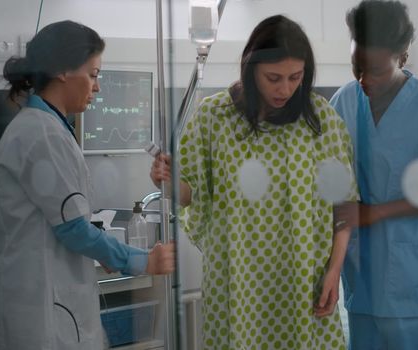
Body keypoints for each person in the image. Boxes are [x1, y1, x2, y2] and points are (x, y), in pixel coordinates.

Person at [150, 15, 356, 349]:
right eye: (273, 78)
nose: (285, 89)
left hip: (304, 284)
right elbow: (189, 194)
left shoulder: (320, 121)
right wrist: (166, 180)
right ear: (250, 68)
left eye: (295, 77)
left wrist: (334, 271)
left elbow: (345, 205)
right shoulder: (214, 117)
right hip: (237, 283)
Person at [0, 20, 175, 350]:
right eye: (93, 74)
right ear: (62, 70)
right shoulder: (41, 134)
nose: (98, 87)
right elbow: (73, 229)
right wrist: (142, 261)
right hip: (39, 313)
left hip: (43, 301)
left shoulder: (46, 128)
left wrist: (106, 250)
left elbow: (62, 219)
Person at [329, 1, 418, 349]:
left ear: (402, 56)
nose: (363, 80)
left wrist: (374, 213)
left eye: (374, 70)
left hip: (417, 279)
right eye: (356, 67)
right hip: (362, 278)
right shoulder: (342, 103)